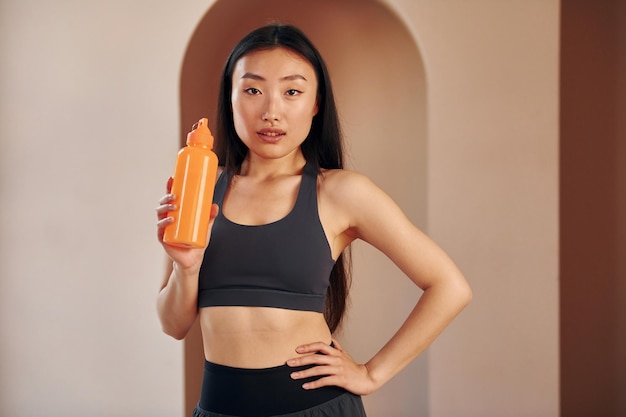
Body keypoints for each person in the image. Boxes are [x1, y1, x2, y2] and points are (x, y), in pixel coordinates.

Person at [156, 23, 472, 417]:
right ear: (231, 97)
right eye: (253, 90)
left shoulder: (340, 192)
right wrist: (186, 270)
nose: (272, 111)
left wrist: (371, 374)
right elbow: (173, 325)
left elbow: (449, 286)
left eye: (292, 91)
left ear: (316, 103)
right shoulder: (201, 185)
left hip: (314, 408)